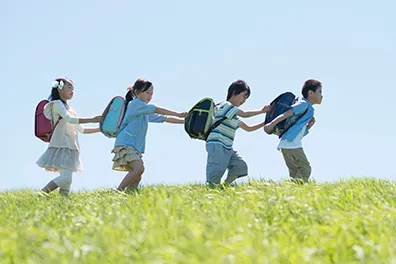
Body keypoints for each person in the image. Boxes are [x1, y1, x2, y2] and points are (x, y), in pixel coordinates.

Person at [112, 78, 187, 192]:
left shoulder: (143, 110)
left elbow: (164, 119)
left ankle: (130, 196)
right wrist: (179, 114)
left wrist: (186, 121)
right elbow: (157, 109)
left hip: (133, 145)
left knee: (137, 175)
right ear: (137, 92)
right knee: (138, 169)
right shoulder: (135, 104)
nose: (150, 96)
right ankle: (118, 191)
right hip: (126, 143)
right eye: (147, 92)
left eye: (151, 93)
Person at [37, 77, 102, 196]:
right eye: (69, 87)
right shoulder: (56, 104)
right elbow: (70, 119)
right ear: (60, 89)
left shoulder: (71, 108)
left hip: (71, 147)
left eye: (73, 88)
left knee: (67, 180)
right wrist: (92, 119)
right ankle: (40, 195)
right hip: (60, 145)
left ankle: (62, 204)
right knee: (65, 178)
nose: (72, 90)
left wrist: (100, 129)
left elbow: (81, 130)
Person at [205, 80, 270, 187]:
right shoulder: (225, 105)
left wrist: (266, 122)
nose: (244, 100)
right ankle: (211, 191)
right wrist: (261, 111)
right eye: (244, 96)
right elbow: (244, 114)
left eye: (246, 98)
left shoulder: (232, 115)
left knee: (240, 166)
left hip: (227, 147)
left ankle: (223, 187)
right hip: (217, 144)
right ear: (235, 92)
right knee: (216, 172)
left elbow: (249, 128)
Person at [264, 79, 323, 182]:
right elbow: (287, 113)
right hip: (292, 144)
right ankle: (288, 189)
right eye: (319, 92)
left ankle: (290, 193)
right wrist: (272, 124)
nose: (322, 95)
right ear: (310, 93)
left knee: (295, 172)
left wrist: (308, 127)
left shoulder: (308, 109)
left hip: (287, 143)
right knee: (305, 169)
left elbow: (297, 132)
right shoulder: (303, 104)